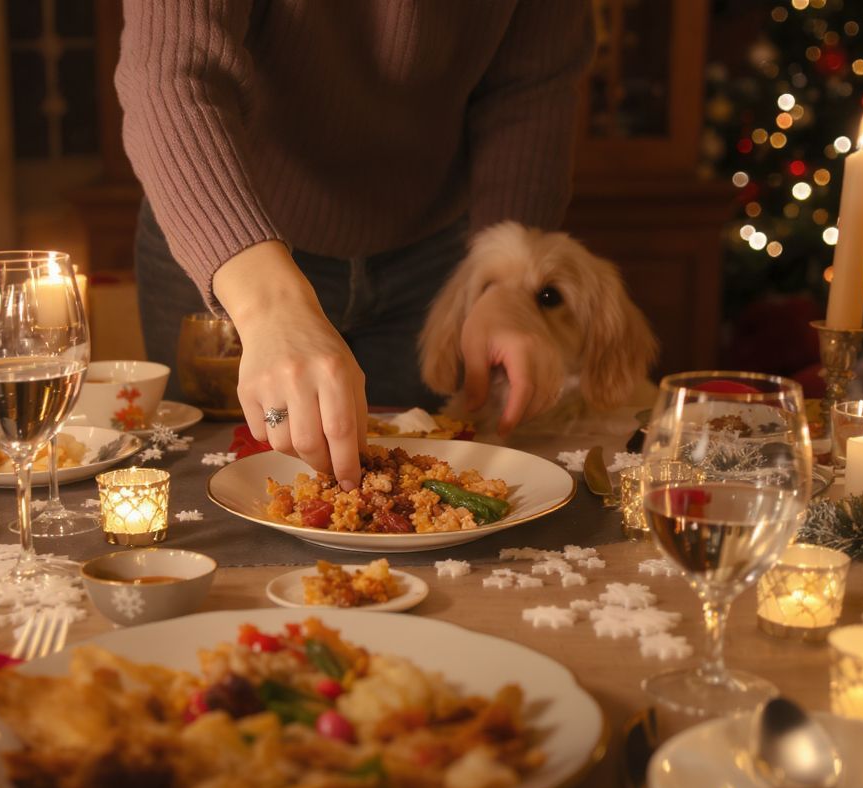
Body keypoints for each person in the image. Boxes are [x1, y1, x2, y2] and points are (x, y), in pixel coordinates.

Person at [115, 1, 594, 491]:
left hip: (434, 259)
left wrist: (507, 283)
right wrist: (271, 306)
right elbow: (172, 73)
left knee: (417, 505)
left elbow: (529, 90)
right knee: (211, 494)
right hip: (219, 231)